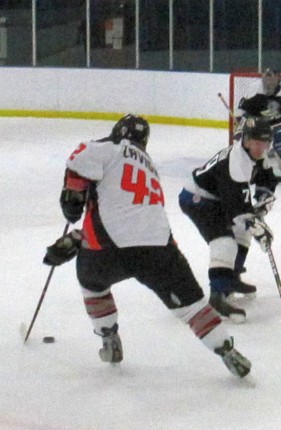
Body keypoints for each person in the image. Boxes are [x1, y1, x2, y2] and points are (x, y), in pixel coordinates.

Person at [43, 113, 251, 379]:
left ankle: (108, 338)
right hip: (160, 249)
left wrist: (72, 198)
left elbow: (78, 161)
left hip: (108, 250)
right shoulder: (150, 166)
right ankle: (227, 351)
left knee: (92, 284)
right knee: (193, 306)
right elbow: (131, 216)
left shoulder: (110, 147)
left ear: (118, 132)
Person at [179, 116, 277, 322]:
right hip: (196, 198)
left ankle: (231, 279)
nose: (261, 148)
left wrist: (264, 196)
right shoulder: (236, 162)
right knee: (224, 242)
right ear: (247, 140)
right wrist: (255, 223)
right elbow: (235, 208)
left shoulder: (258, 153)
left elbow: (267, 177)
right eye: (257, 142)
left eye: (265, 143)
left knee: (242, 233)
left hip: (217, 198)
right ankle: (218, 294)